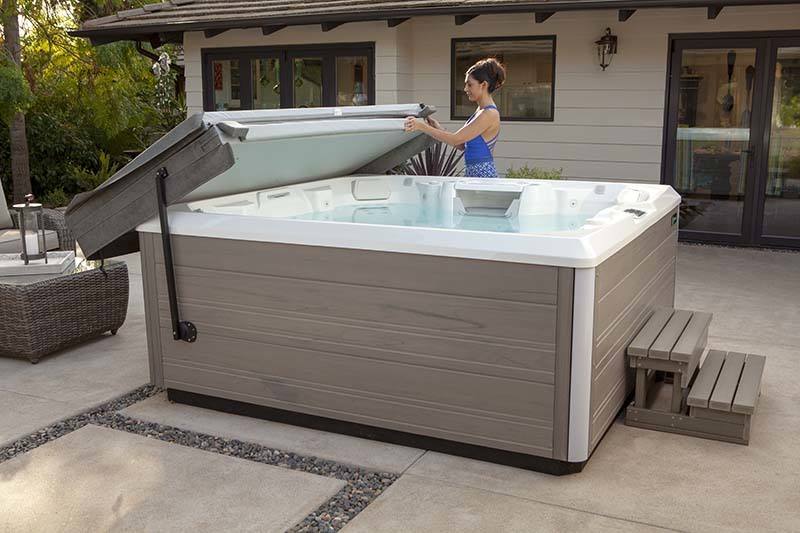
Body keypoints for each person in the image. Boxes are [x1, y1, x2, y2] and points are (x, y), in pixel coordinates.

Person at [404, 58, 505, 178]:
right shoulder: (480, 111)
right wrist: (439, 128)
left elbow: (456, 139)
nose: (465, 89)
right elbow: (462, 145)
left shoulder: (489, 114)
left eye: (469, 84)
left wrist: (421, 126)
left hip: (483, 177)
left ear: (483, 85)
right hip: (474, 175)